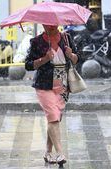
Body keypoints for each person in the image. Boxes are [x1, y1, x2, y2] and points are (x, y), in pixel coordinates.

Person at [25, 25, 78, 165]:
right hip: (44, 84)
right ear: (43, 24)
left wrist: (71, 55)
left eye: (55, 23)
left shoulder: (66, 38)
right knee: (53, 117)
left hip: (63, 84)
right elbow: (28, 65)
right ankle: (60, 153)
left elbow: (77, 59)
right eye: (49, 24)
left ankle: (48, 153)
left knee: (54, 119)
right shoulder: (36, 42)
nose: (52, 26)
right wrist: (45, 59)